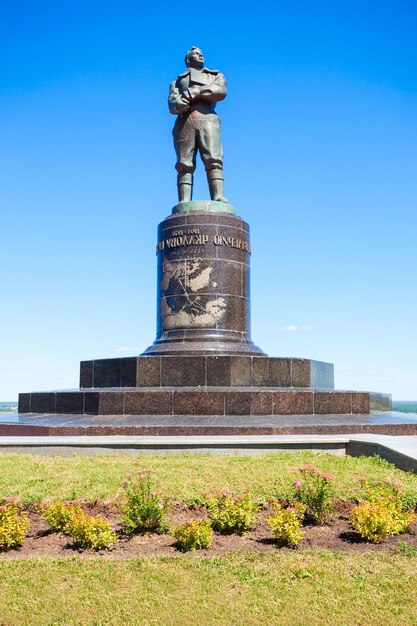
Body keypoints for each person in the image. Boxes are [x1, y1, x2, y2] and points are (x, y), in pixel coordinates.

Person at [168, 47, 228, 203]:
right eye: (195, 53)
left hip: (208, 118)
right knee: (184, 164)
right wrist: (178, 104)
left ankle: (218, 197)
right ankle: (184, 201)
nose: (200, 55)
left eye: (201, 53)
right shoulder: (176, 82)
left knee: (214, 159)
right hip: (185, 122)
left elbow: (220, 91)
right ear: (188, 59)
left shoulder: (214, 76)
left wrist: (196, 92)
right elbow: (171, 104)